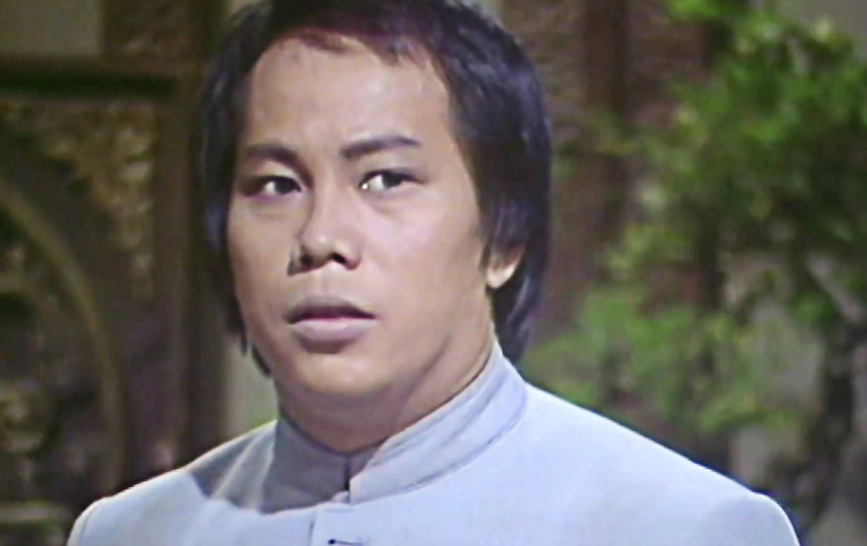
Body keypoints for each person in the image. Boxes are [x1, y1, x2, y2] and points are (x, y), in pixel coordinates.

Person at [66, 0, 801, 544]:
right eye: (276, 185)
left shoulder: (678, 528)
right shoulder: (134, 532)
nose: (320, 238)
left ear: (503, 236)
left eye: (384, 179)